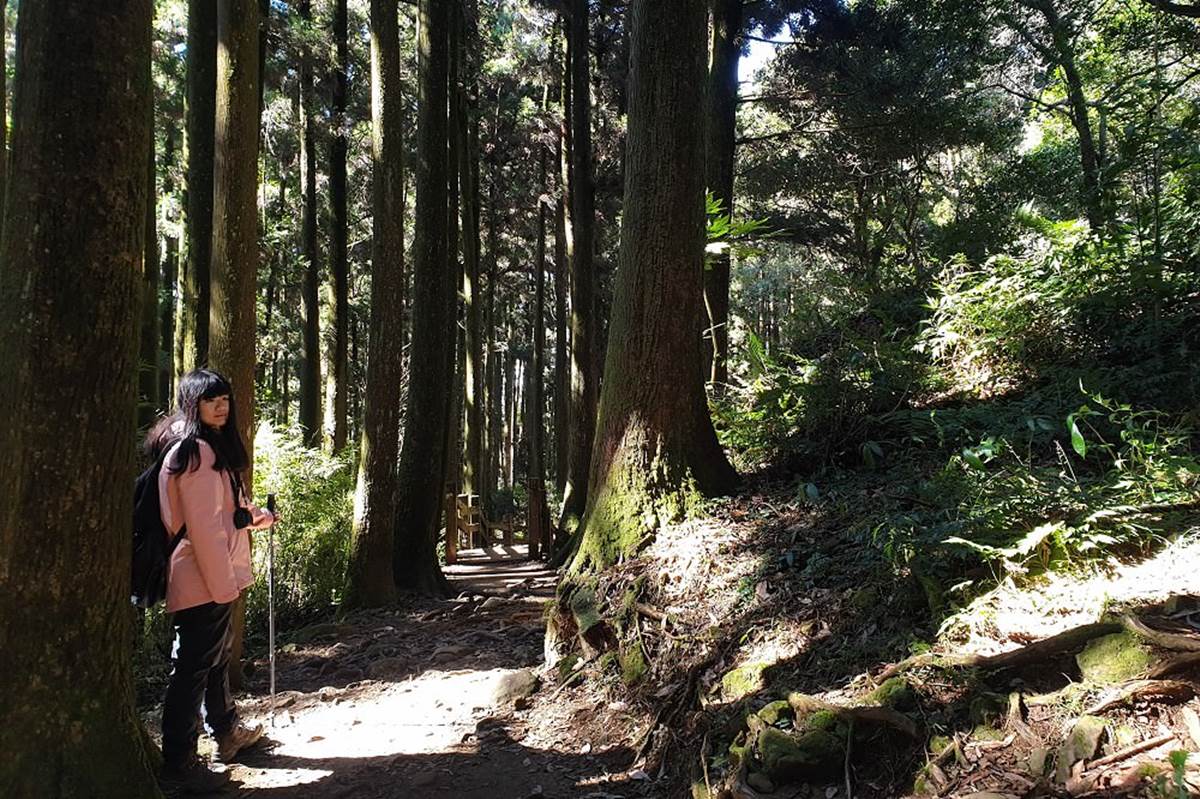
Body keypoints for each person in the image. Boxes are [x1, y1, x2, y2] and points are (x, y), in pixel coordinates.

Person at [145, 368, 278, 792]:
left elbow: (222, 515)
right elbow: (203, 532)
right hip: (202, 577)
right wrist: (226, 587)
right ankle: (180, 761)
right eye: (210, 400)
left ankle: (225, 733)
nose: (221, 406)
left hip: (213, 575)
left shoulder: (206, 448)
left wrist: (254, 517)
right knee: (192, 667)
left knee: (214, 659)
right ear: (193, 404)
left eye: (224, 399)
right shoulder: (195, 454)